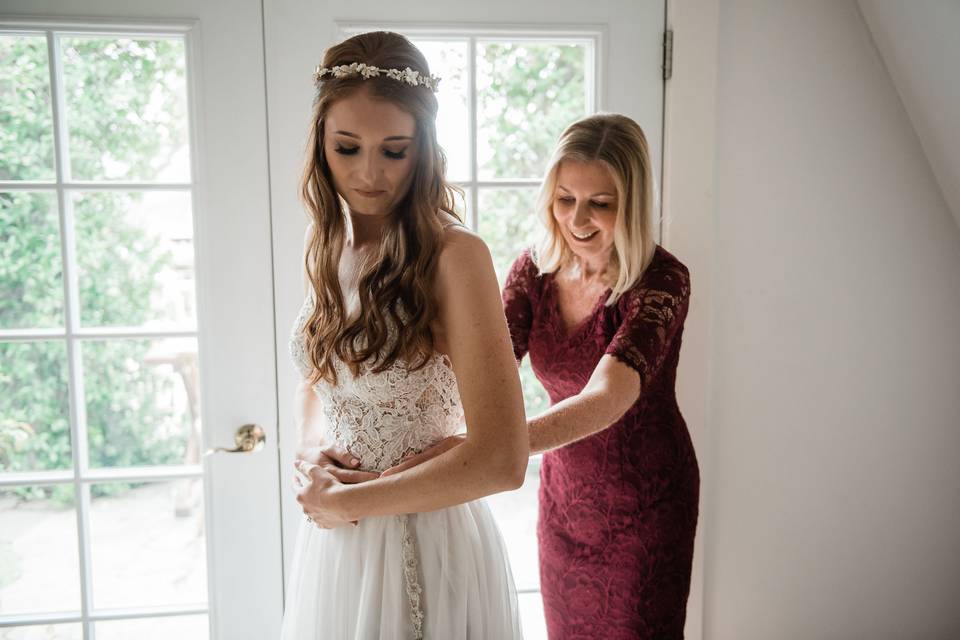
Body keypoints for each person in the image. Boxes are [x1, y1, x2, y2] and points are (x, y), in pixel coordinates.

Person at [386, 113, 699, 638]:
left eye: (601, 203)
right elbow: (481, 368)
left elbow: (607, 397)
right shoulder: (533, 272)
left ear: (635, 203)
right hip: (563, 502)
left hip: (647, 507)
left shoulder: (663, 281)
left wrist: (498, 447)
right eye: (565, 198)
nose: (578, 219)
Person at [281, 31, 527, 640]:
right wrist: (313, 455)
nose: (369, 174)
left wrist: (349, 503)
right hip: (338, 546)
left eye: (394, 150)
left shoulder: (455, 255)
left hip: (424, 541)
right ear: (320, 145)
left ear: (425, 148)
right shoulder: (331, 241)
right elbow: (322, 381)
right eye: (347, 148)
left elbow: (503, 460)